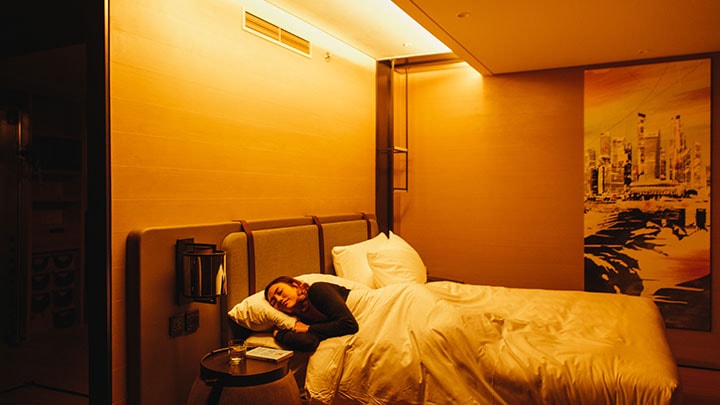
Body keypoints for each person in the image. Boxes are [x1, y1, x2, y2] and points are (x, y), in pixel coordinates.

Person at [264, 276, 358, 351]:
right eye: (274, 302)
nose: (279, 299)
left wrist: (308, 328)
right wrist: (279, 334)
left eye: (280, 292)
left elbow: (349, 324)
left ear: (295, 286)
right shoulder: (301, 320)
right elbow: (308, 342)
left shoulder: (317, 290)